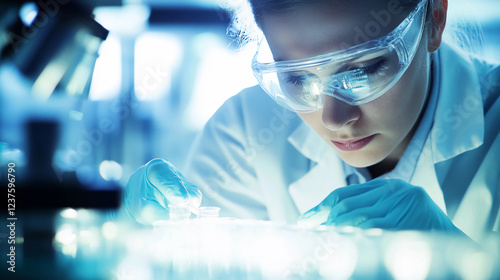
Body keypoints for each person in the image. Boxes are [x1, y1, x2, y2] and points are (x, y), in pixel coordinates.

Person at [124, 0, 500, 242]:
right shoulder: (243, 134)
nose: (334, 118)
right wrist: (134, 241)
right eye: (298, 79)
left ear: (434, 18)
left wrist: (456, 258)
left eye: (364, 71)